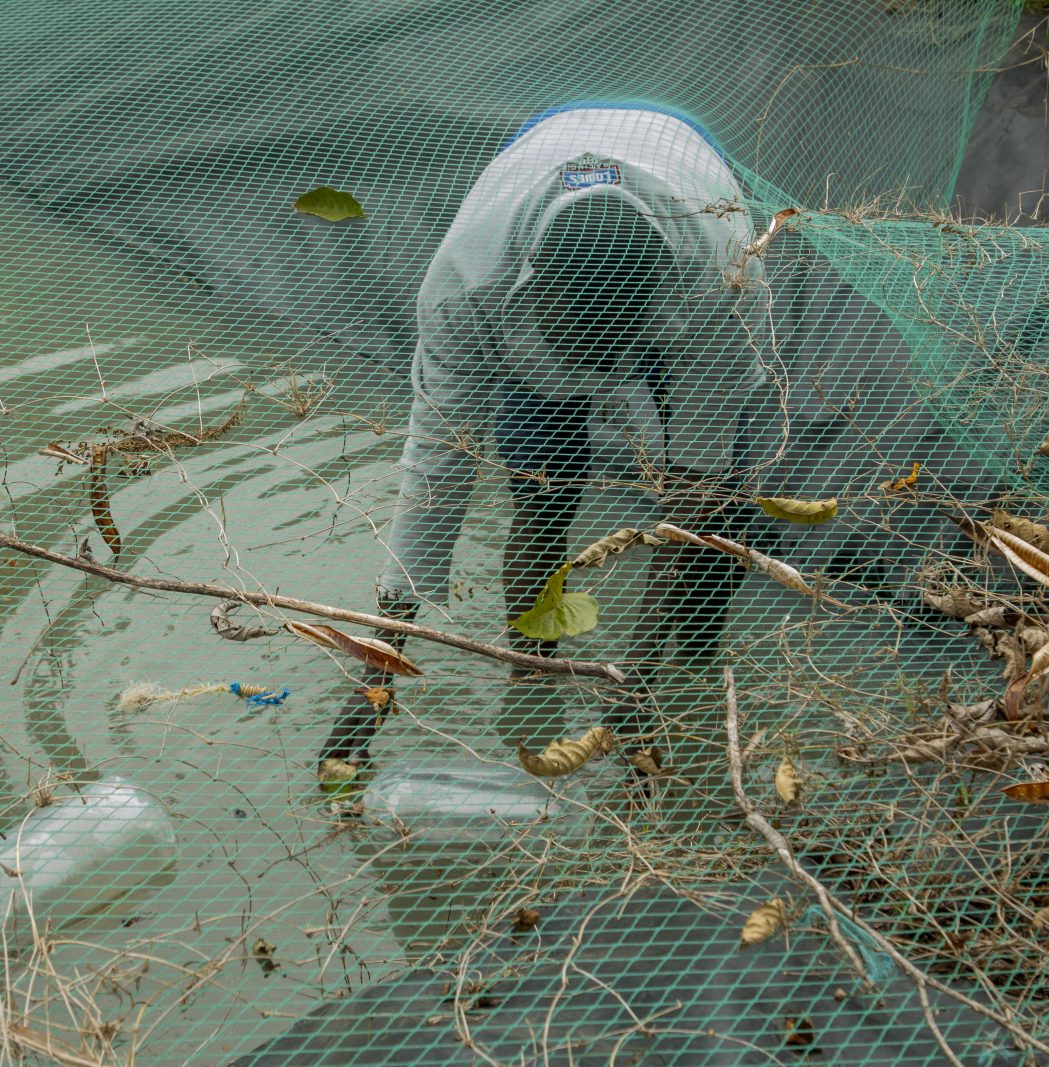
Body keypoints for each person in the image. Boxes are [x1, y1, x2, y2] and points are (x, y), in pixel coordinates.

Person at [320, 105, 776, 778]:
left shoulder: (724, 279)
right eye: (572, 342)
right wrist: (376, 673)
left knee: (721, 509)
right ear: (535, 292)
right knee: (543, 492)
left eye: (608, 344)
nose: (592, 372)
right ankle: (532, 677)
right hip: (542, 147)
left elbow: (694, 490)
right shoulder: (468, 287)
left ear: (646, 310)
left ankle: (693, 662)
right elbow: (434, 474)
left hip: (687, 161)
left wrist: (638, 674)